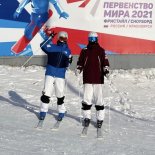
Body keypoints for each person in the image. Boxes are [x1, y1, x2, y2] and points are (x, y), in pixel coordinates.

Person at [76, 31, 110, 137]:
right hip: (87, 78)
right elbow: (80, 62)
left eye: (94, 39)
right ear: (88, 40)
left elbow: (105, 62)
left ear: (97, 39)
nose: (92, 41)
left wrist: (106, 70)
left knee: (99, 100)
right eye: (90, 39)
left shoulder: (101, 50)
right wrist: (78, 69)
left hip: (98, 79)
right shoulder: (84, 50)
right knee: (86, 99)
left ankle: (100, 119)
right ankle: (87, 118)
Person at [37, 30, 72, 128]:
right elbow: (42, 45)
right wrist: (49, 37)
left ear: (67, 39)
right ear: (58, 38)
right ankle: (43, 111)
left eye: (64, 39)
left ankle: (61, 111)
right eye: (61, 38)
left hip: (60, 75)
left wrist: (69, 61)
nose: (63, 40)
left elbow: (67, 64)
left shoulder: (68, 51)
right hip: (50, 73)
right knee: (46, 93)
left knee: (60, 94)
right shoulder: (52, 47)